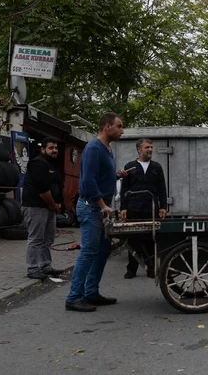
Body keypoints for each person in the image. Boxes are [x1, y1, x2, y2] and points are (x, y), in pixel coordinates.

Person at [65, 112, 128, 312]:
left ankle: (91, 292)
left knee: (102, 251)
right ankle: (74, 297)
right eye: (119, 126)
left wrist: (116, 175)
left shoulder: (108, 149)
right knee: (89, 251)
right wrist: (103, 206)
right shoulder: (93, 148)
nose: (122, 130)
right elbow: (88, 182)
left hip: (100, 208)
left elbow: (99, 176)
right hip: (92, 208)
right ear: (106, 127)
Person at [120, 138, 167, 279]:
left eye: (151, 147)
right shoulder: (130, 166)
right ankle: (131, 269)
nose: (150, 150)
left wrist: (163, 206)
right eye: (147, 147)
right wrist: (123, 207)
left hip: (151, 208)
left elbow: (162, 189)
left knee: (151, 239)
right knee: (133, 239)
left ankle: (151, 268)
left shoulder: (156, 167)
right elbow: (124, 189)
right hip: (134, 208)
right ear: (139, 150)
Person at [21, 137, 64, 280]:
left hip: (49, 207)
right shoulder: (37, 163)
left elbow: (57, 186)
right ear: (43, 149)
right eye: (51, 148)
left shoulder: (53, 165)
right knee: (36, 238)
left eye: (56, 148)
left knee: (48, 238)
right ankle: (32, 268)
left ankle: (46, 266)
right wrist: (52, 204)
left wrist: (58, 202)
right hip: (35, 206)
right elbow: (42, 189)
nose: (54, 151)